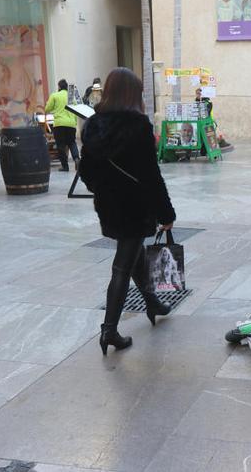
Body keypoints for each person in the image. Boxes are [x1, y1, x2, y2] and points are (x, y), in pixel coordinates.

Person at [79, 67, 176, 355]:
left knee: (134, 254)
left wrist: (104, 189)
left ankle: (152, 303)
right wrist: (166, 213)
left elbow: (85, 170)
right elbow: (150, 175)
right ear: (132, 94)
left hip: (109, 205)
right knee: (123, 265)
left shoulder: (94, 124)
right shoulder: (138, 125)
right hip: (135, 206)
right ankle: (109, 330)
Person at [45, 79, 80, 171]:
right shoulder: (71, 97)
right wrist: (75, 122)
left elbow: (47, 109)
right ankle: (76, 158)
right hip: (71, 124)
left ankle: (65, 166)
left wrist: (53, 108)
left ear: (59, 87)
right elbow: (76, 110)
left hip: (59, 124)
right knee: (72, 143)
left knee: (60, 145)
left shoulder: (55, 95)